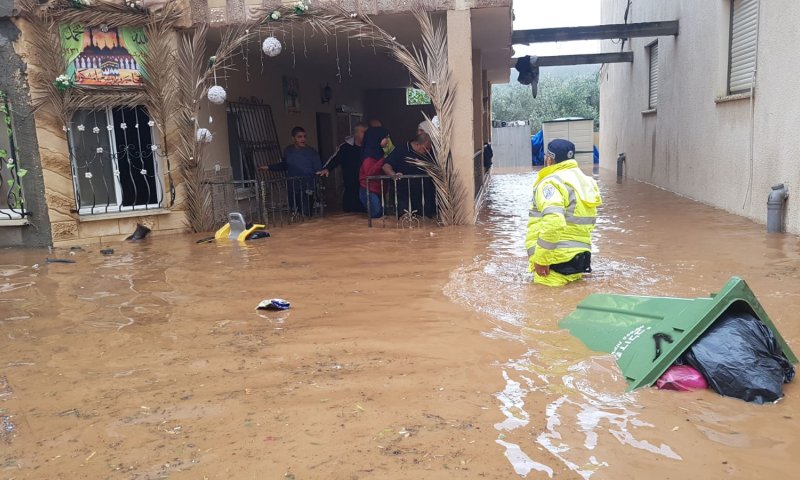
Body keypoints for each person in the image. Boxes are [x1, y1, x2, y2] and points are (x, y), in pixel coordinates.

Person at [525, 139, 602, 287]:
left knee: (546, 306)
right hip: (580, 259)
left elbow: (554, 221)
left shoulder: (551, 182)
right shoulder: (587, 182)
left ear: (549, 159)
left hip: (554, 263)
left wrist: (541, 260)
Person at [260, 126, 323, 216]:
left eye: (304, 136)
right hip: (292, 188)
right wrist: (269, 167)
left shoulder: (312, 152)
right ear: (293, 139)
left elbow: (318, 169)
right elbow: (285, 165)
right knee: (294, 213)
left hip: (307, 188)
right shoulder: (288, 151)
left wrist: (316, 183)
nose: (303, 139)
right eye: (299, 137)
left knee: (306, 214)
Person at [382, 132, 437, 218]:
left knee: (425, 222)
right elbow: (386, 166)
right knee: (405, 221)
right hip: (404, 195)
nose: (428, 151)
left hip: (423, 196)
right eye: (426, 148)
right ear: (418, 144)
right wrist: (394, 175)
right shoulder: (401, 150)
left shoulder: (429, 153)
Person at [317, 122, 367, 213]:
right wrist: (327, 168)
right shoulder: (345, 148)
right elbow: (334, 159)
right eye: (363, 132)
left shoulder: (369, 148)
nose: (366, 135)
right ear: (356, 133)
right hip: (350, 190)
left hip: (365, 188)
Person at [358, 126, 391, 218]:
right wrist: (384, 159)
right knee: (376, 215)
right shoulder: (368, 155)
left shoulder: (380, 152)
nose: (388, 141)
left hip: (378, 189)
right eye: (386, 138)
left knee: (381, 215)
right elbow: (370, 172)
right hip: (369, 190)